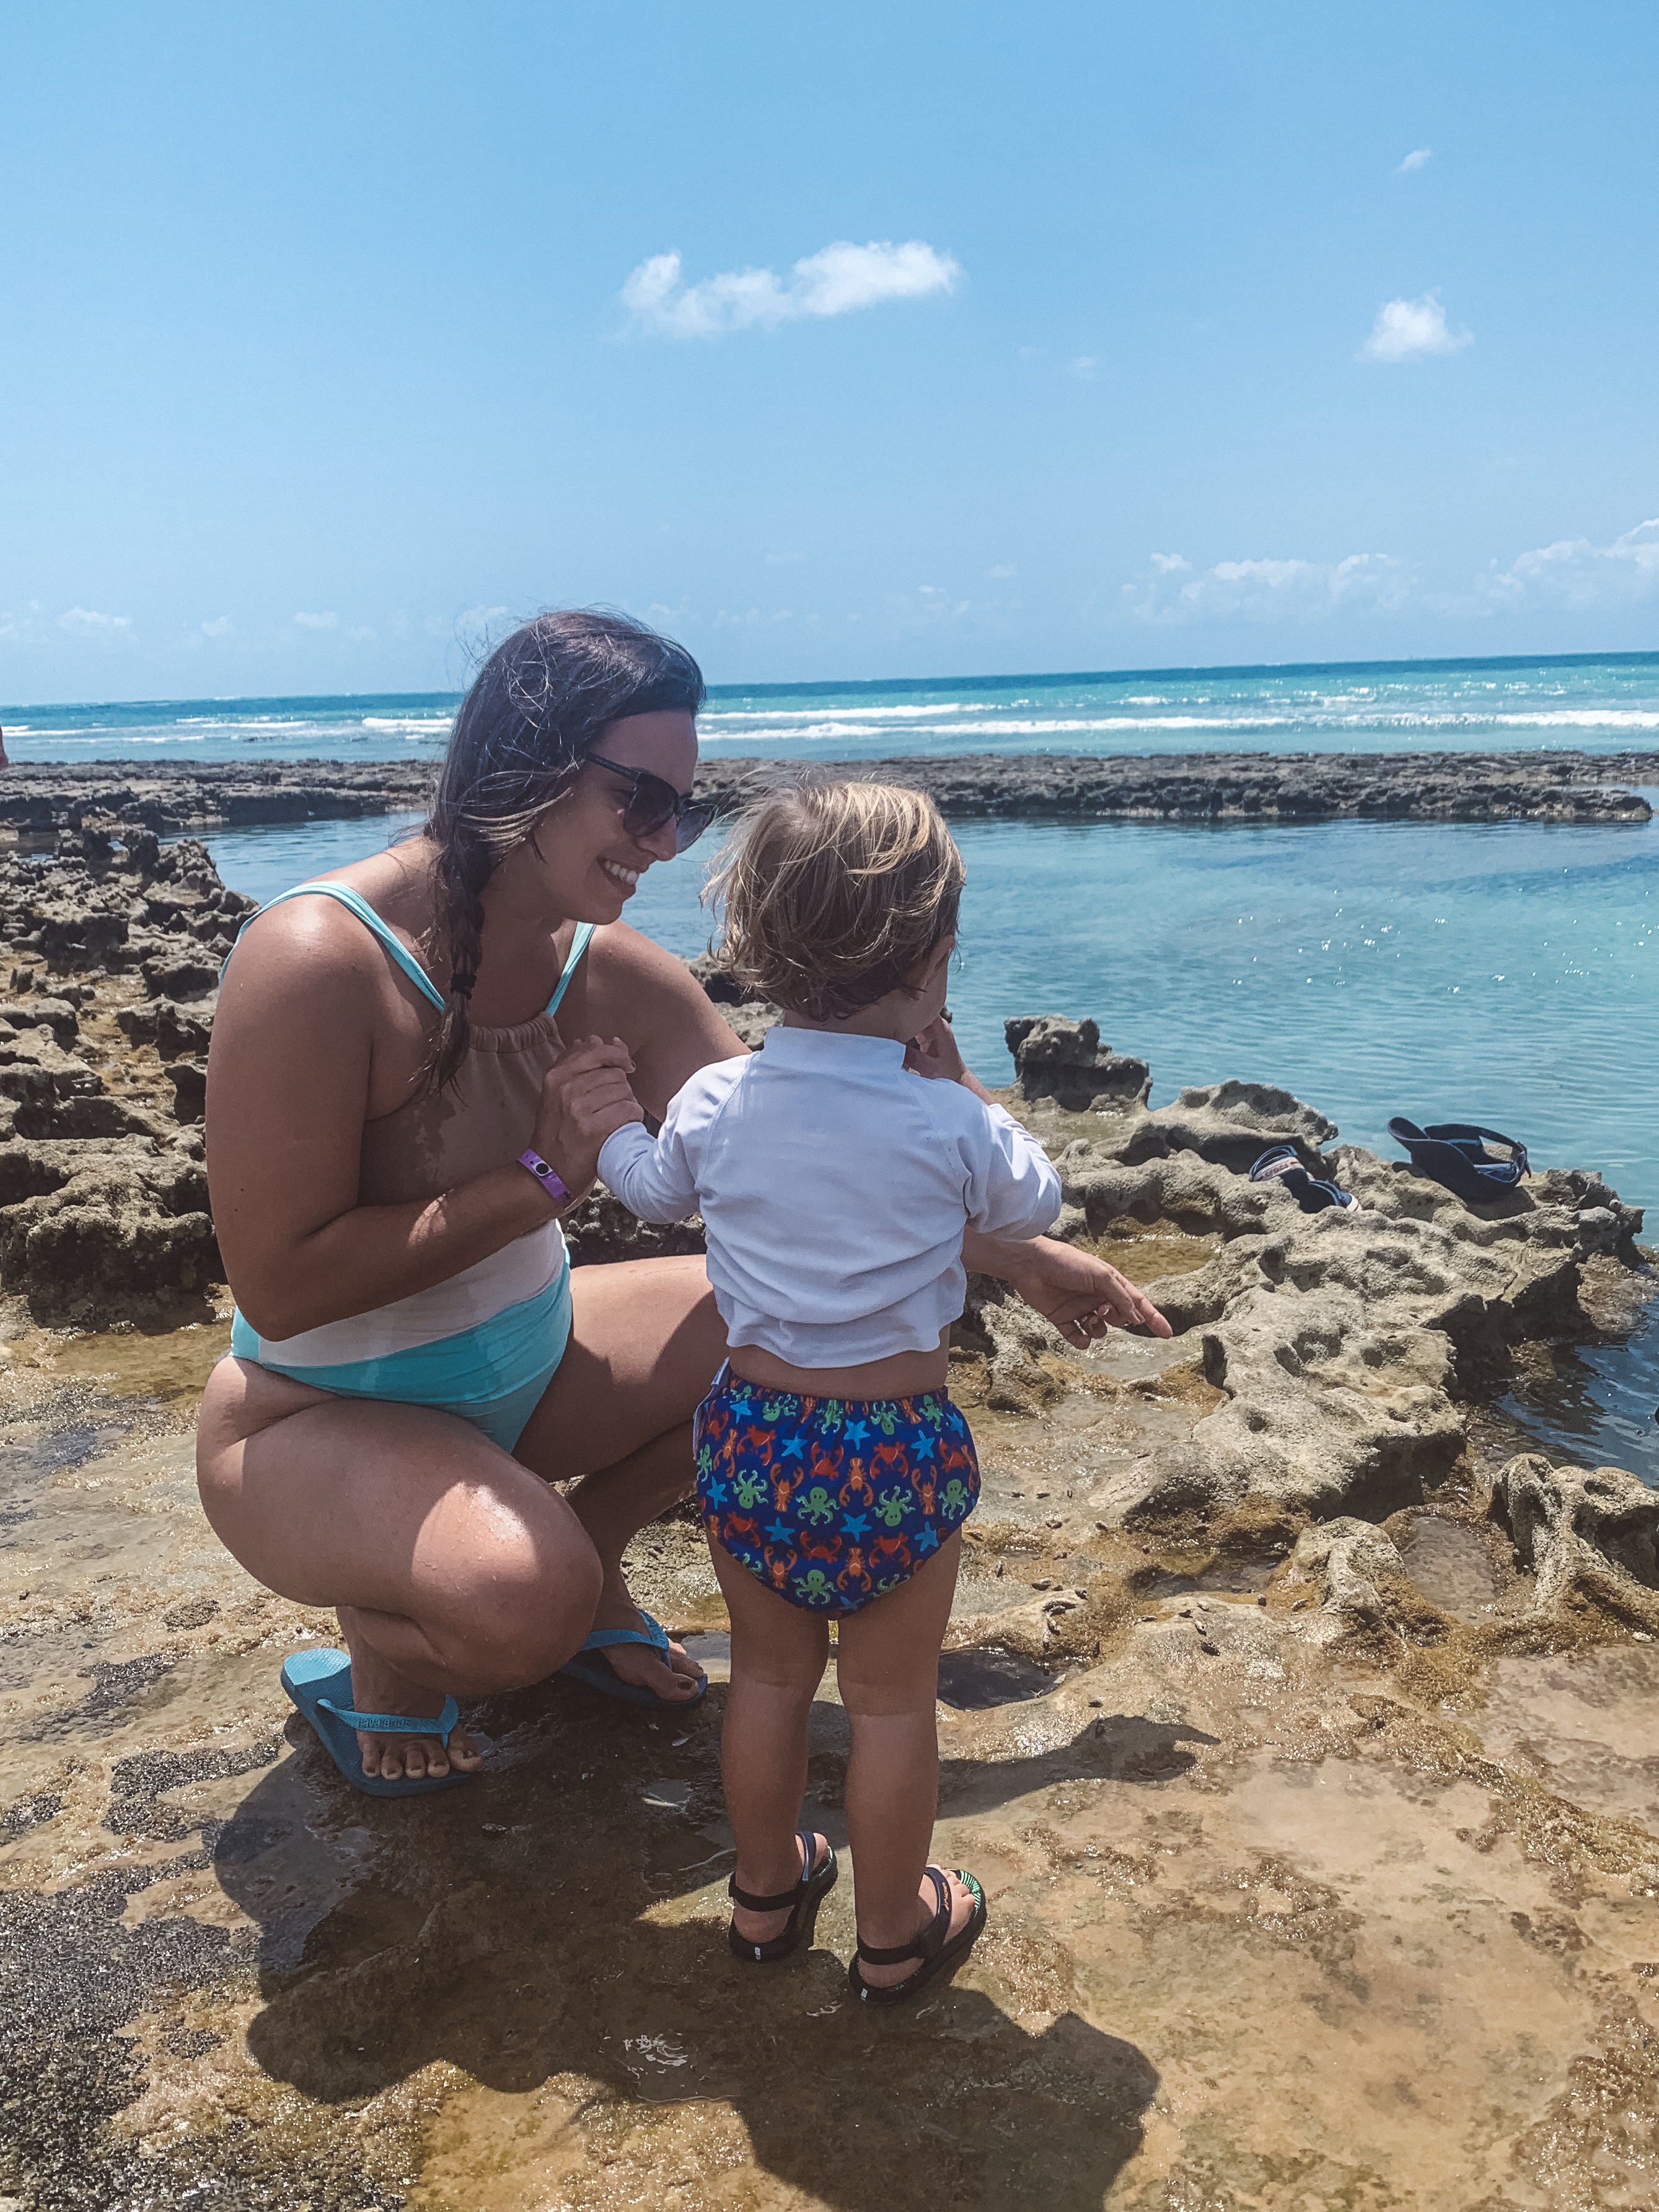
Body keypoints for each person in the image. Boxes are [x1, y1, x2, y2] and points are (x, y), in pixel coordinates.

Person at [195, 609, 1169, 1802]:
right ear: (532, 766)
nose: (662, 841)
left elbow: (806, 1180)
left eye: (684, 811)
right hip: (311, 1417)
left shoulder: (607, 971)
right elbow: (279, 1290)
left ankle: (588, 1558)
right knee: (519, 1610)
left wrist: (1019, 1257)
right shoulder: (319, 959)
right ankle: (384, 1647)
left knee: (800, 1325)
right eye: (637, 801)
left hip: (532, 1368)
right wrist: (542, 1178)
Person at [599, 778, 1169, 2001]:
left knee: (762, 1677)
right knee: (892, 1705)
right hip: (892, 1451)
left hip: (753, 1440)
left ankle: (761, 1901)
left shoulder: (715, 1099)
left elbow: (649, 1194)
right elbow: (1032, 1208)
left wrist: (595, 1126)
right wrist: (961, 1083)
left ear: (750, 950)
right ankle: (895, 1933)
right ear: (938, 958)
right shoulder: (938, 1123)